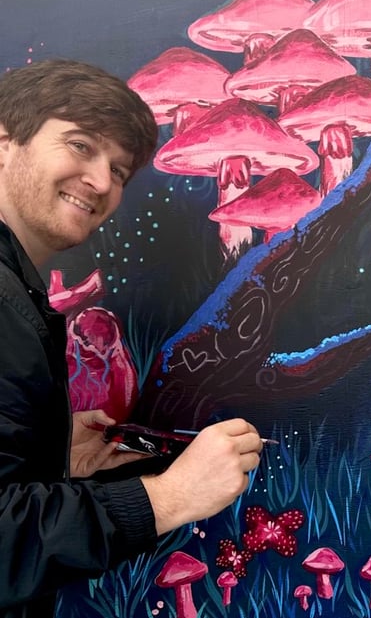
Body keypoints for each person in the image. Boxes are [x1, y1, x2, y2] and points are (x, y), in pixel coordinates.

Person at [0, 59, 264, 618]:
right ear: (5, 141)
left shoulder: (17, 294)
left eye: (119, 171)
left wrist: (50, 462)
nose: (100, 182)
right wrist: (167, 499)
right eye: (79, 145)